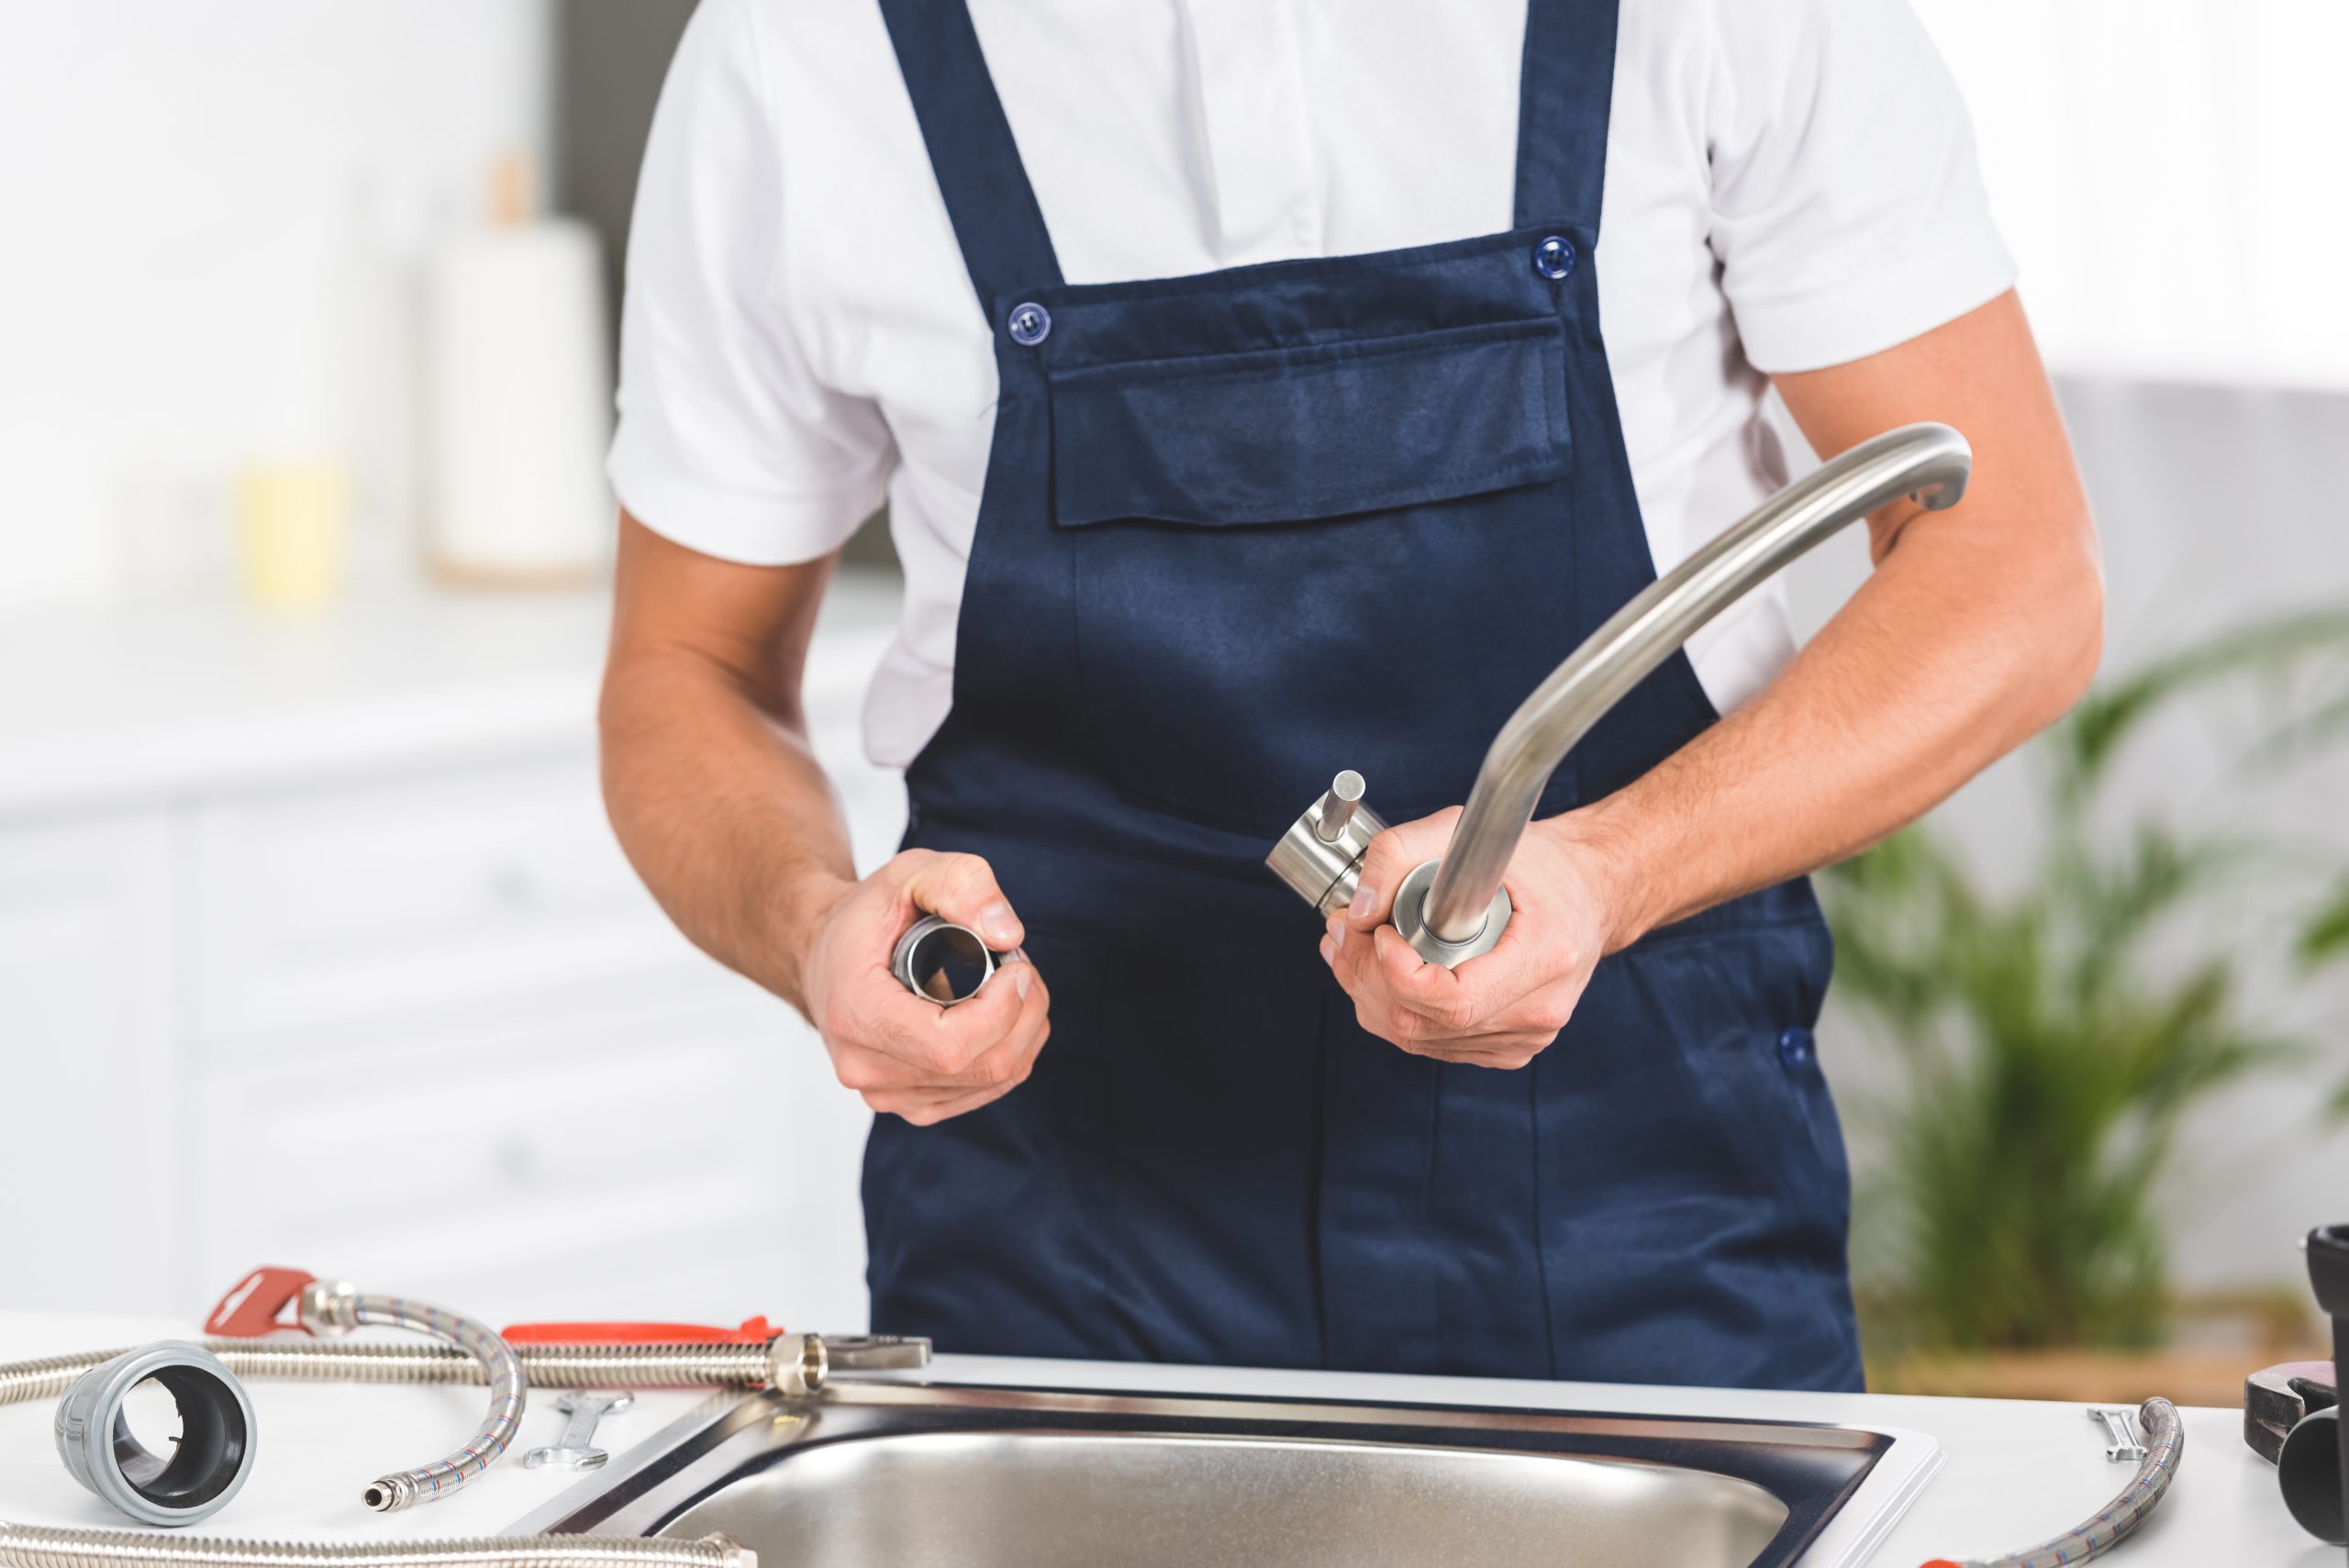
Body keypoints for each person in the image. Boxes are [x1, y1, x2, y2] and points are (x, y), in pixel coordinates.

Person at [598, 0, 2101, 1390]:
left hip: (1641, 1222)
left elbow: (2012, 572)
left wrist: (1607, 871)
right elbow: (689, 669)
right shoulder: (805, 52)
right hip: (1065, 1270)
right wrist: (812, 930)